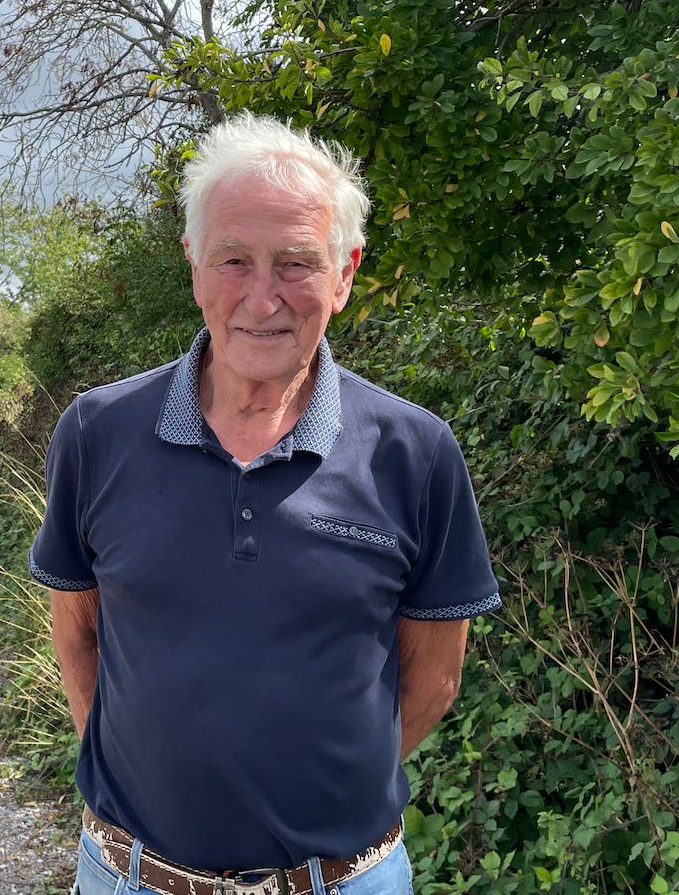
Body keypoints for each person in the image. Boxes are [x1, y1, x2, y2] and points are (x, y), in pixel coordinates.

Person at [29, 114, 501, 895]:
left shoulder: (414, 454)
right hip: (128, 878)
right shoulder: (97, 431)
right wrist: (131, 775)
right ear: (193, 265)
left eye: (296, 264)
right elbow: (78, 634)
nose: (263, 298)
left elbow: (434, 679)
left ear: (344, 273)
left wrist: (326, 799)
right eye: (235, 260)